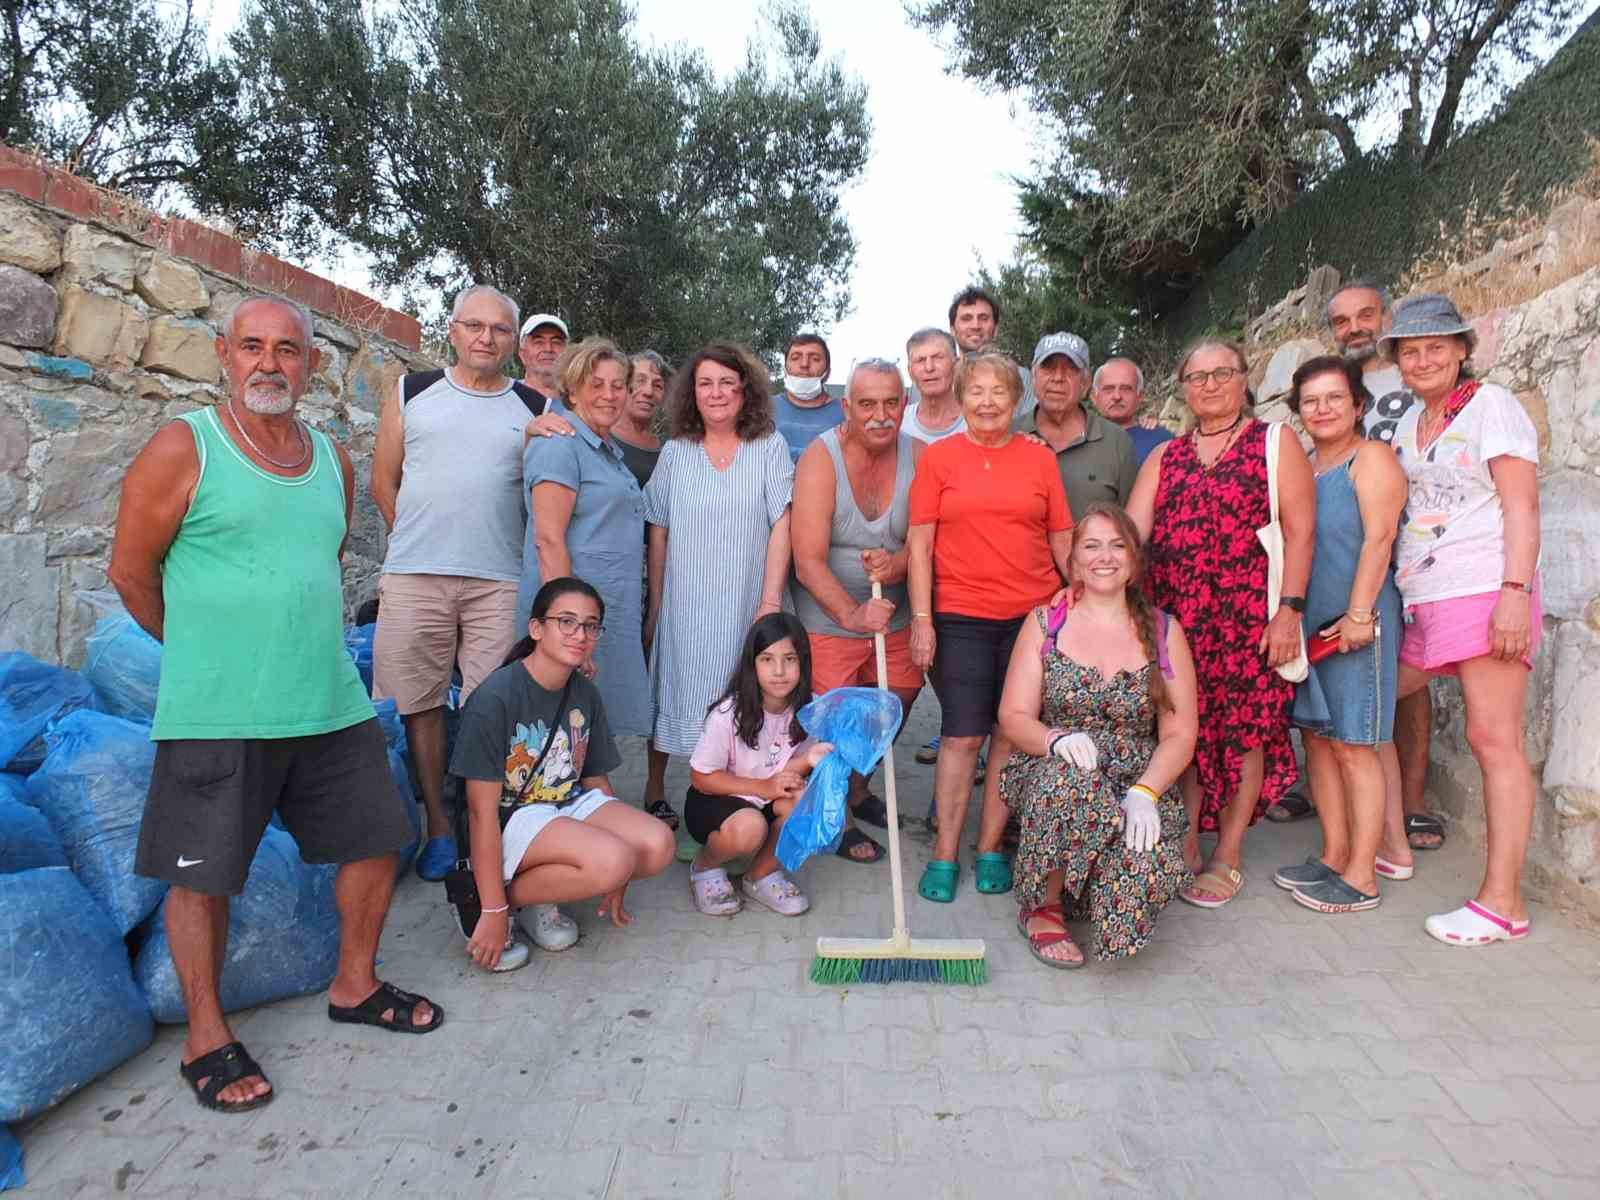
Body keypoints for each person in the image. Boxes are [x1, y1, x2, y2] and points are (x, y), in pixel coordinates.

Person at [109, 296, 441, 1114]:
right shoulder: (186, 445)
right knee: (202, 880)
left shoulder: (332, 460)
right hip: (218, 711)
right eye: (252, 346)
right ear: (223, 353)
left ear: (312, 365)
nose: (269, 363)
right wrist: (203, 651)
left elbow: (319, 561)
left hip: (328, 701)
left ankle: (355, 984)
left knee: (377, 842)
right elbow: (130, 572)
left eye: (287, 349)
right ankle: (205, 1036)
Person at [1126, 338, 1314, 908]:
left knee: (1244, 731)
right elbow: (1133, 534)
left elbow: (1300, 532)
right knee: (1181, 725)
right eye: (1198, 376)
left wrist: (1289, 610)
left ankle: (1228, 852)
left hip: (1247, 619)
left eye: (1222, 374)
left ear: (1243, 379)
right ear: (1184, 387)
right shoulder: (1166, 456)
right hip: (1176, 619)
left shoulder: (1274, 443)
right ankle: (1185, 838)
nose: (1209, 385)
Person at [370, 284, 548, 882]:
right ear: (452, 330)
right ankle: (440, 828)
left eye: (499, 329)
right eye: (474, 325)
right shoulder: (412, 391)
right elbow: (383, 481)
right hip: (415, 575)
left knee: (490, 707)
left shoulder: (534, 406)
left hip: (499, 581)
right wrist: (417, 540)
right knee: (418, 705)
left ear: (513, 341)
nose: (485, 338)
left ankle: (485, 829)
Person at [1382, 294, 1543, 946]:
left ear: (1460, 350)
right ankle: (1384, 843)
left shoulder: (1492, 406)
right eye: (1410, 351)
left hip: (1483, 588)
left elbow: (1522, 506)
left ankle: (1501, 903)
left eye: (1435, 348)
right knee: (1373, 702)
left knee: (1493, 739)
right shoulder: (1409, 422)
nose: (1422, 360)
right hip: (1426, 596)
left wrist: (1514, 593)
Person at [998, 504, 1198, 965]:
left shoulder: (1164, 632)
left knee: (1141, 866)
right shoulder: (1046, 623)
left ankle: (1084, 891)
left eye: (1117, 545)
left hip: (1134, 778)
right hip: (1056, 772)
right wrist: (1054, 740)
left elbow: (1181, 733)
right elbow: (1013, 715)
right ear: (1073, 562)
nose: (1104, 557)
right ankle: (1044, 905)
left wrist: (1146, 792)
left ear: (1134, 559)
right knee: (1068, 784)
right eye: (1091, 546)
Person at [907, 351, 1073, 903]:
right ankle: (944, 853)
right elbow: (921, 545)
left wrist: (1078, 601)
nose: (986, 402)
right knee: (961, 735)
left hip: (1030, 619)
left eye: (998, 391)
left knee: (1009, 732)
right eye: (976, 391)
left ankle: (990, 847)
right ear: (960, 399)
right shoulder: (939, 459)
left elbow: (1060, 537)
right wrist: (922, 619)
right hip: (961, 615)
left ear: (1016, 400)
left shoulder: (1038, 459)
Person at [451, 578, 675, 970]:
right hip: (510, 818)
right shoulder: (495, 698)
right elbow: (480, 813)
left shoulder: (584, 693)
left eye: (591, 625)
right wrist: (492, 911)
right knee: (612, 859)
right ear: (536, 628)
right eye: (566, 622)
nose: (580, 635)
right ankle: (489, 902)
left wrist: (618, 876)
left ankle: (533, 896)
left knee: (658, 845)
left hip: (561, 804)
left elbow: (596, 782)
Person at [515, 339, 652, 943]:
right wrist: (570, 632)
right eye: (596, 384)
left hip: (599, 623)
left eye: (618, 384)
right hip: (571, 627)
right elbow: (549, 540)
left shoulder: (609, 452)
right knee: (544, 750)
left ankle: (584, 856)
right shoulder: (560, 444)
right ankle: (530, 894)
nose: (610, 394)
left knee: (576, 745)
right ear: (571, 388)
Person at [1272, 357, 1412, 913]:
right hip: (1311, 625)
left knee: (1356, 745)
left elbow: (1379, 539)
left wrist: (1358, 615)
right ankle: (1333, 856)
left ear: (1358, 405)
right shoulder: (1305, 465)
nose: (1322, 409)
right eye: (1310, 400)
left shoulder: (1370, 458)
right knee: (1319, 741)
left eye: (1334, 398)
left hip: (1357, 621)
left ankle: (1362, 877)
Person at [641, 342, 795, 831]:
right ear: (692, 392)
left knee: (740, 699)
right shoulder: (675, 453)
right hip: (687, 604)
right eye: (705, 383)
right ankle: (656, 790)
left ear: (745, 389)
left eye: (727, 382)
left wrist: (770, 600)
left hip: (747, 601)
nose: (716, 392)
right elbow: (658, 526)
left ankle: (731, 802)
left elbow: (782, 521)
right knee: (677, 691)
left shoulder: (768, 447)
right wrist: (658, 604)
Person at [1322, 279, 1442, 854]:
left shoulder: (1414, 380)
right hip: (1357, 549)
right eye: (1341, 321)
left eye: (1365, 315)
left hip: (1411, 549)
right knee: (1350, 683)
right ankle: (1351, 805)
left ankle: (1410, 804)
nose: (1355, 329)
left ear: (1386, 317)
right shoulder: (1335, 389)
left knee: (1405, 684)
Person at [792, 357, 925, 863]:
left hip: (894, 613)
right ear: (846, 406)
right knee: (837, 717)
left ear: (905, 404)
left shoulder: (920, 456)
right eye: (867, 404)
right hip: (830, 617)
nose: (880, 415)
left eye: (891, 403)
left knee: (898, 700)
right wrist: (851, 616)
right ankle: (838, 817)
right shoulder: (821, 458)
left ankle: (857, 787)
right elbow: (807, 560)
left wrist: (898, 563)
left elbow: (925, 541)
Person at [685, 613, 833, 916]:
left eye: (789, 659)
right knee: (749, 827)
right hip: (716, 800)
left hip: (766, 797)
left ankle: (761, 873)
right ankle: (706, 866)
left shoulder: (810, 710)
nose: (779, 671)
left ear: (803, 663)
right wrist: (763, 787)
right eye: (767, 659)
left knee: (809, 802)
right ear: (752, 664)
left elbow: (785, 771)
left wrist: (809, 759)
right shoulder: (728, 713)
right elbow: (701, 777)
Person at [1029, 332, 1138, 520]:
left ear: (1086, 383)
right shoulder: (1009, 435)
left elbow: (1130, 525)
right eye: (1048, 368)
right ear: (1033, 377)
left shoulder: (1116, 442)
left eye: (1070, 369)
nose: (1058, 377)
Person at [772, 332, 845, 464]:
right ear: (785, 369)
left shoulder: (846, 413)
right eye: (795, 358)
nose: (804, 364)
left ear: (828, 372)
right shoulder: (764, 409)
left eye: (815, 359)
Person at [1093, 358, 1173, 467]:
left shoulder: (1162, 442)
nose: (1117, 396)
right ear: (1094, 397)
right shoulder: (1078, 440)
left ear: (1140, 396)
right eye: (1109, 389)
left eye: (1126, 389)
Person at [614, 350, 670, 488]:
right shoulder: (598, 437)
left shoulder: (667, 450)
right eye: (640, 381)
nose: (648, 392)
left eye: (658, 386)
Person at [902, 327, 966, 444]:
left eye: (938, 358)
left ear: (956, 365)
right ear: (910, 371)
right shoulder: (899, 425)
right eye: (920, 360)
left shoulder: (977, 420)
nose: (929, 367)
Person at [518, 312, 570, 396]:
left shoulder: (583, 399)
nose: (548, 349)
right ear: (522, 354)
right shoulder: (505, 398)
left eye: (556, 342)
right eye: (538, 342)